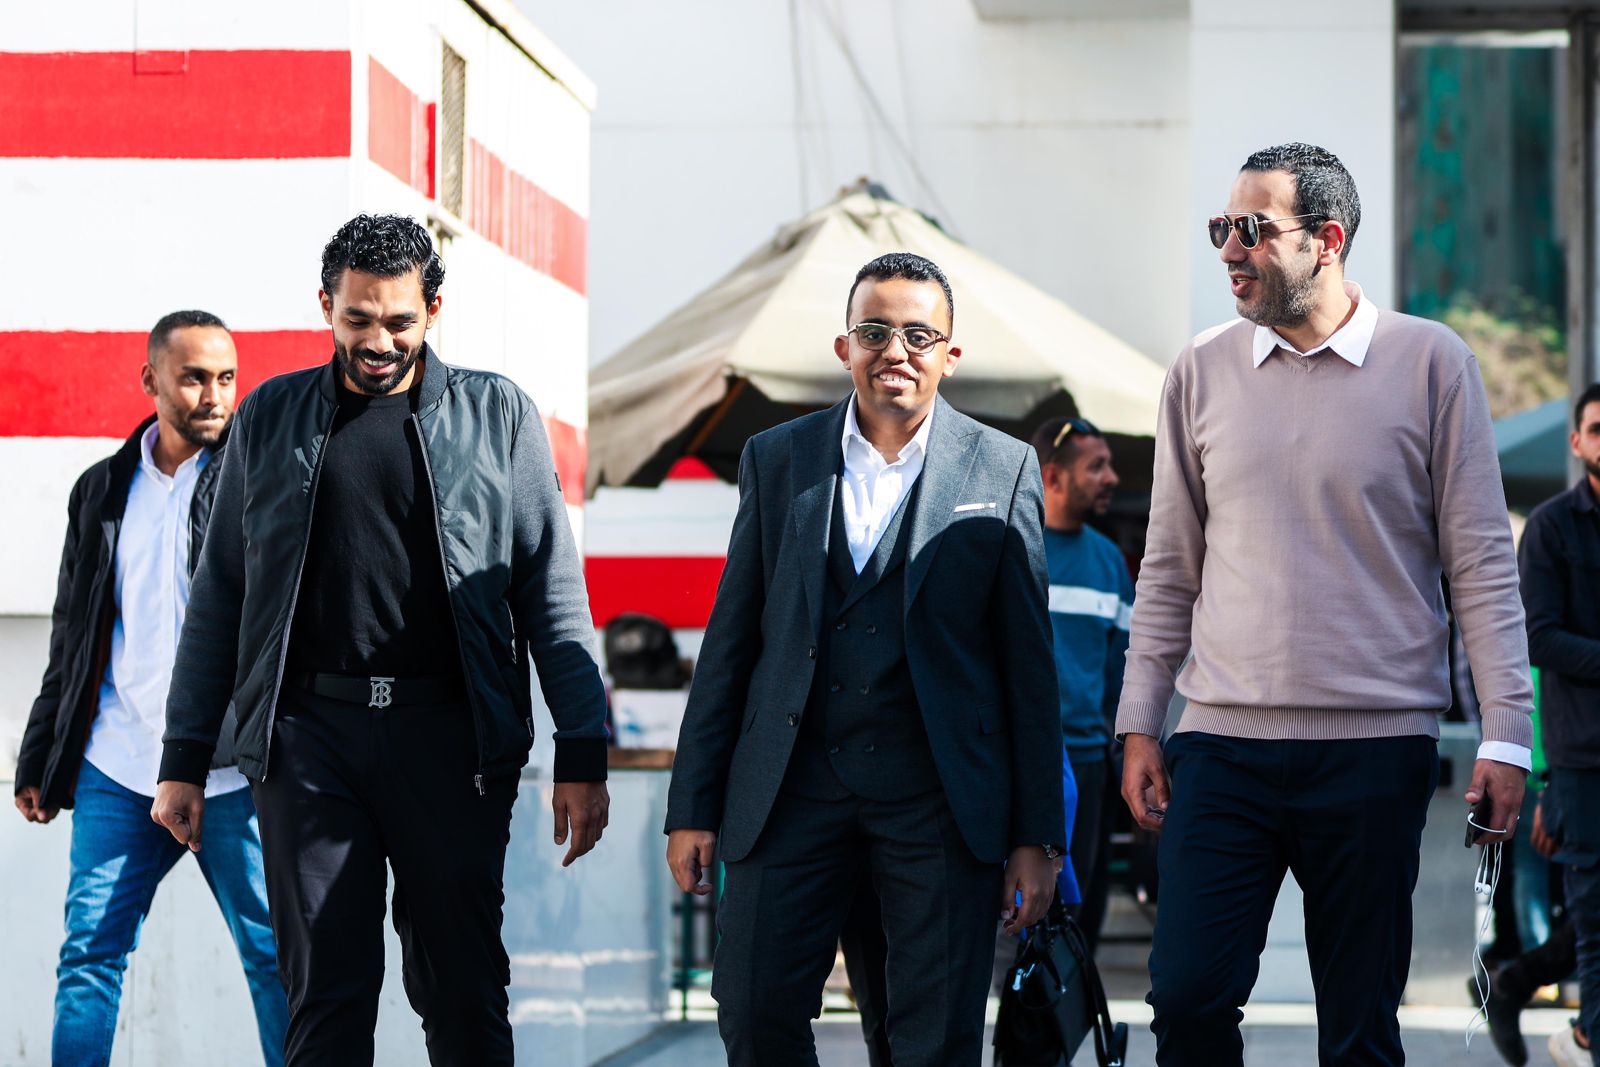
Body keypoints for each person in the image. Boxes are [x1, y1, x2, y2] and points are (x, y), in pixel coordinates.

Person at [149, 215, 611, 1066]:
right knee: (325, 995)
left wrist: (582, 748)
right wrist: (184, 756)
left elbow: (549, 587)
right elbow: (221, 595)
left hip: (452, 740)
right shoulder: (270, 415)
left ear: (433, 309)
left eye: (399, 320)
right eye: (357, 318)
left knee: (463, 990)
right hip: (308, 742)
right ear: (326, 305)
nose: (378, 341)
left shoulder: (498, 414)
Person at [1117, 142, 1534, 1066]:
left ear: (1329, 239)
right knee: (1186, 999)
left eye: (1252, 229)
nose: (1229, 249)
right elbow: (1170, 566)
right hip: (1220, 745)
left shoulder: (1434, 364)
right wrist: (1140, 721)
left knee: (1359, 1031)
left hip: (1376, 749)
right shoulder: (1199, 369)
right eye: (1221, 227)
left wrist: (1508, 734)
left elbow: (1480, 565)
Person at [664, 252, 1066, 1066]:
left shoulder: (1004, 466)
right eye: (875, 331)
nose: (896, 350)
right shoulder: (777, 458)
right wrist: (692, 803)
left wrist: (1037, 836)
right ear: (844, 345)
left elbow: (1029, 671)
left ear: (951, 354)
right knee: (752, 1010)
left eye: (919, 334)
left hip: (937, 800)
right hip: (791, 789)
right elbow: (732, 642)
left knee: (933, 1041)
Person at [14, 311, 288, 1067]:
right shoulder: (103, 490)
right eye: (194, 377)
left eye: (226, 377)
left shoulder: (259, 481)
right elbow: (74, 633)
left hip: (231, 774)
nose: (214, 395)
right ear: (151, 380)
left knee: (276, 959)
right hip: (121, 764)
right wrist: (41, 754)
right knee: (89, 960)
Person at [1518, 381, 1600, 1066]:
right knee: (1595, 916)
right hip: (1583, 760)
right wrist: (1541, 777)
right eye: (1598, 429)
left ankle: (1581, 1037)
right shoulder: (1551, 527)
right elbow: (1538, 638)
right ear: (1577, 442)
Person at [1029, 413, 1131, 952]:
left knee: (1078, 920)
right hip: (1022, 764)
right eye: (1097, 466)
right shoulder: (1011, 546)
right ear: (1053, 476)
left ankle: (1065, 1010)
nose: (1112, 477)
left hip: (1090, 764)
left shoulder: (1110, 561)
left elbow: (1124, 671)